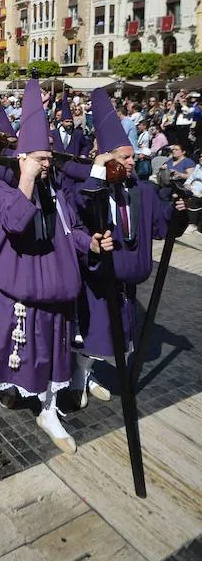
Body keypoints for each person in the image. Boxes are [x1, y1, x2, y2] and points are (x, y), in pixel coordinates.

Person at [0, 80, 111, 453]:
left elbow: (72, 230)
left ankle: (48, 409)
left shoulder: (57, 191)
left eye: (49, 159)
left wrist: (91, 243)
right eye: (41, 159)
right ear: (22, 158)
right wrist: (27, 178)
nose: (48, 164)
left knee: (50, 355)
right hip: (20, 290)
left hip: (56, 289)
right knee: (13, 354)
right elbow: (15, 222)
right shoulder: (3, 190)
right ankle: (16, 390)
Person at [71, 89, 188, 408]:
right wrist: (97, 169)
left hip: (126, 286)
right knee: (93, 337)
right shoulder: (91, 190)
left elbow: (160, 227)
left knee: (115, 339)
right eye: (123, 156)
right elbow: (78, 207)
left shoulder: (143, 191)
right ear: (106, 159)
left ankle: (88, 373)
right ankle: (80, 377)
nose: (131, 160)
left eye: (132, 154)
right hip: (97, 282)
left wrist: (177, 211)